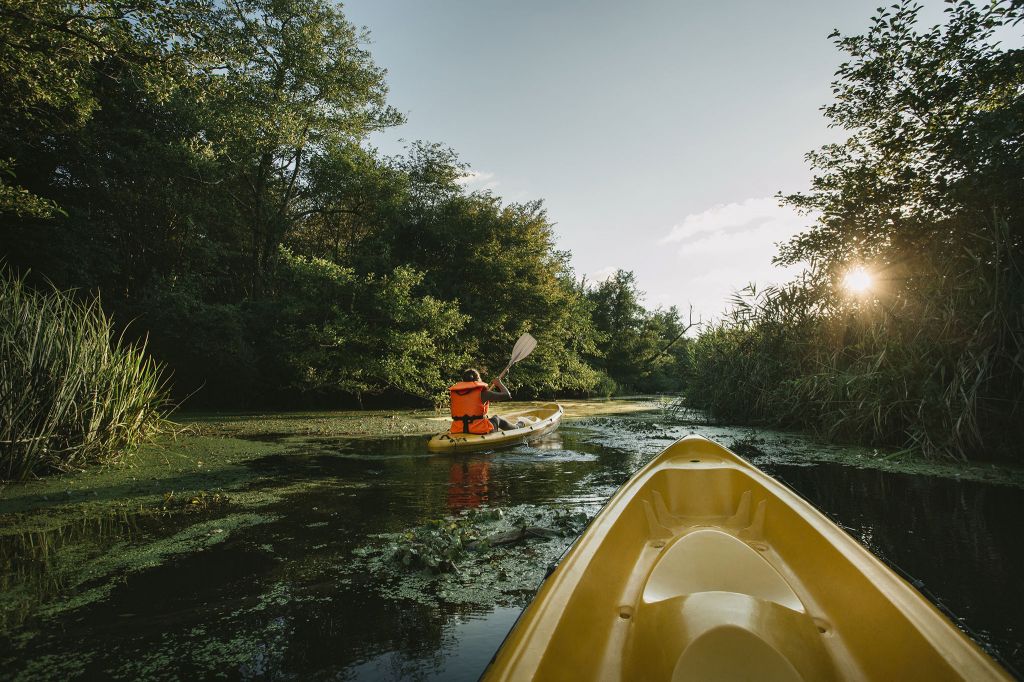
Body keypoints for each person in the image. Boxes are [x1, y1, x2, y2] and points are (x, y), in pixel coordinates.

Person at [448, 368, 516, 434]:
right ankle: (517, 427)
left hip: (458, 429)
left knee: (486, 419)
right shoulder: (483, 393)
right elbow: (507, 395)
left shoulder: (454, 393)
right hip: (478, 430)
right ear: (478, 379)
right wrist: (499, 383)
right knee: (497, 418)